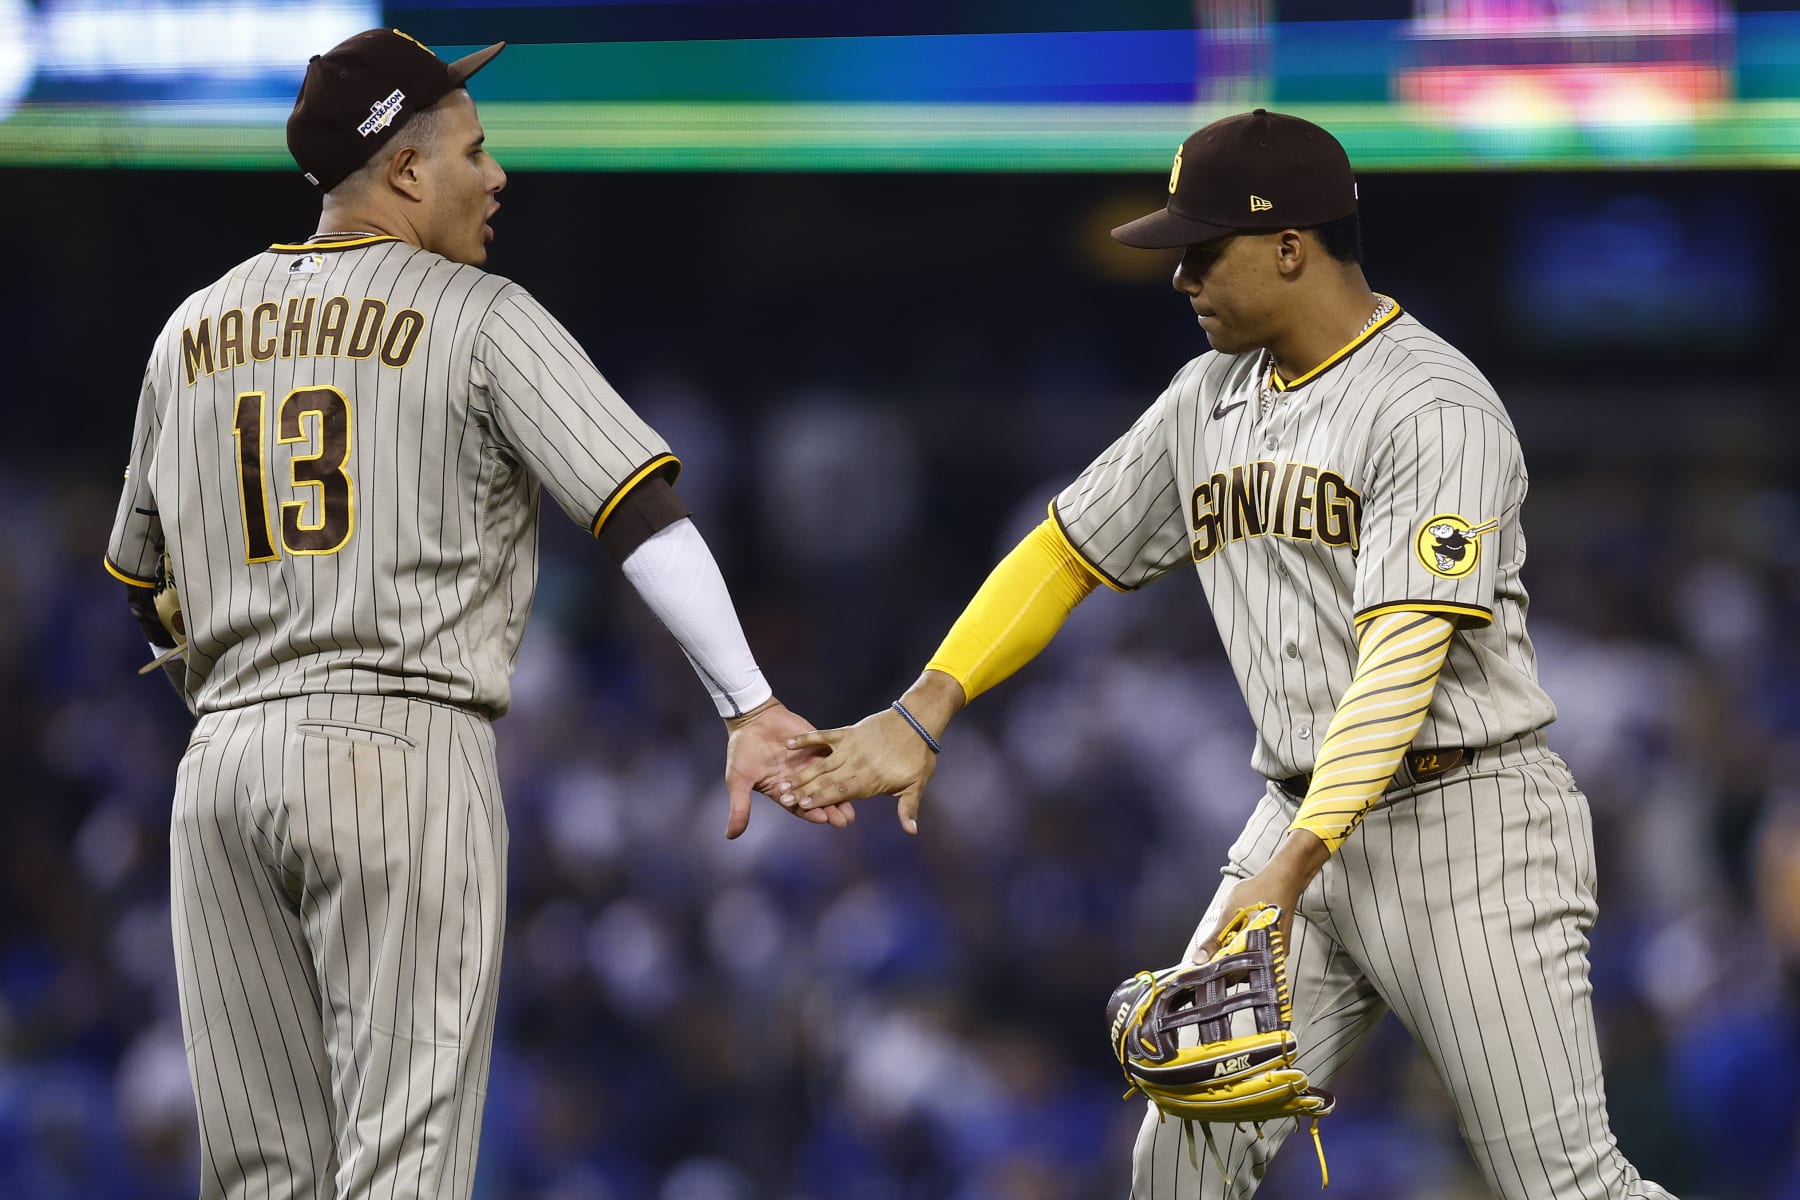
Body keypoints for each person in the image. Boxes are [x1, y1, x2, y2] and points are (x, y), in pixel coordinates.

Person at [775, 109, 1674, 1199]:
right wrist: (925, 709)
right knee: (1178, 1165)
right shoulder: (1207, 397)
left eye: (1204, 251)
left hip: (1465, 825)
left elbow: (1403, 661)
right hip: (1295, 816)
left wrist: (1291, 866)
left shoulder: (1434, 407)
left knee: (1565, 1185)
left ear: (1290, 247)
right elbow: (1066, 550)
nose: (1180, 276)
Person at [103, 28, 844, 1200]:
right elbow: (640, 514)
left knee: (256, 1177)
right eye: (474, 152)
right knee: (403, 1166)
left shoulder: (190, 329)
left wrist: (246, 696)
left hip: (224, 766)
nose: (497, 176)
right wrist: (748, 705)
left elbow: (141, 579)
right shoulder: (479, 313)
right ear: (403, 171)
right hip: (400, 748)